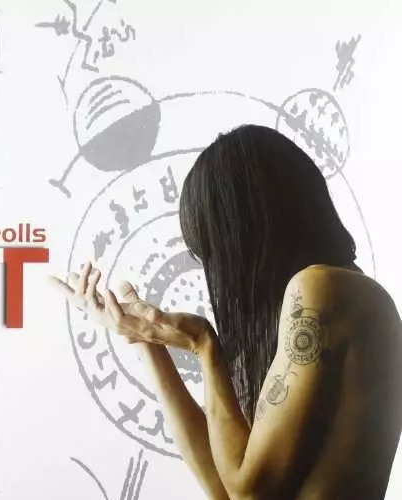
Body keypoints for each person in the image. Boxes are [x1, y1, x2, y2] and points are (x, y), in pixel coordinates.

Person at [51, 124, 402, 499]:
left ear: (247, 231)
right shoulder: (339, 293)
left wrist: (204, 344)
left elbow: (249, 492)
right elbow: (222, 486)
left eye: (214, 253)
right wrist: (145, 338)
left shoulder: (321, 289)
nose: (218, 274)